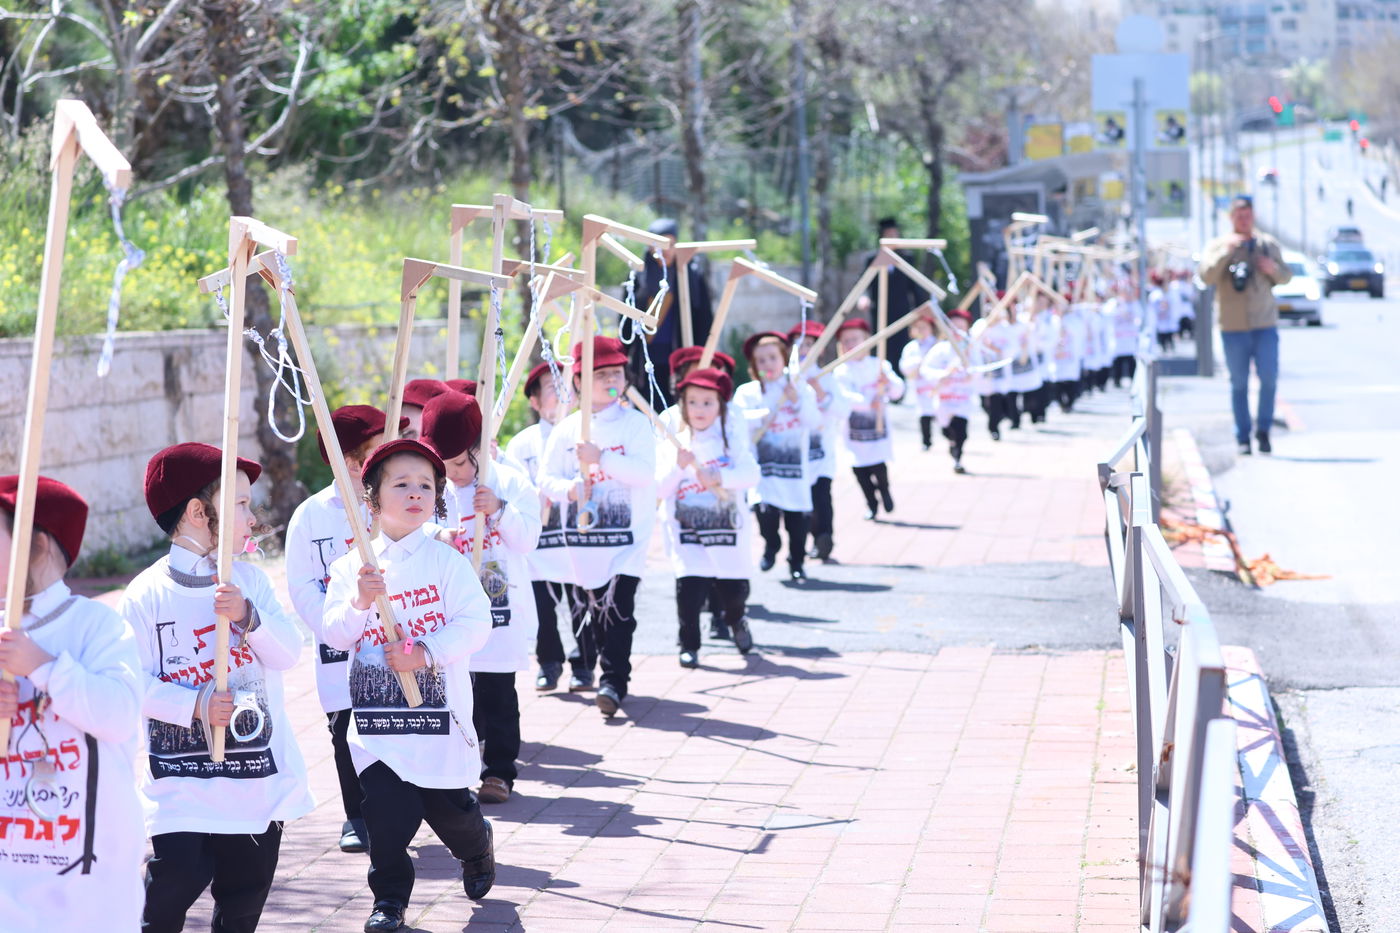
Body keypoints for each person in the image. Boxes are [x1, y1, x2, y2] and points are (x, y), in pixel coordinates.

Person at [123, 443, 313, 933]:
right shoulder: (146, 593)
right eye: (241, 505)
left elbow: (289, 654)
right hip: (181, 786)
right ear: (196, 511)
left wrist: (250, 618)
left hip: (254, 784)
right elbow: (131, 683)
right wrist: (196, 704)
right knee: (170, 891)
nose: (253, 518)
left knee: (243, 903)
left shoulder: (249, 581)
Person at [321, 438, 496, 931]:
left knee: (450, 813)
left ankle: (476, 844)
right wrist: (358, 601)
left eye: (426, 485)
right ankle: (389, 902)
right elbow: (333, 631)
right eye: (401, 484)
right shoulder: (351, 567)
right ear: (372, 499)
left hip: (437, 718)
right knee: (386, 818)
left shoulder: (446, 562)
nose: (415, 493)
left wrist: (425, 652)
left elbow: (475, 623)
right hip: (379, 724)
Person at [0, 476, 145, 931]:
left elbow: (120, 716)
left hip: (90, 877)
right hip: (10, 878)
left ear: (37, 544)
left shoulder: (95, 625)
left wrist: (43, 666)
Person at [285, 404, 401, 854]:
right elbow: (301, 585)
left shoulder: (394, 504)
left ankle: (403, 809)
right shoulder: (311, 515)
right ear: (350, 462)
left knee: (397, 722)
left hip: (392, 643)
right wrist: (337, 626)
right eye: (377, 450)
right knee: (345, 729)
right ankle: (356, 814)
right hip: (339, 647)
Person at [421, 391, 541, 805]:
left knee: (498, 690)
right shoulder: (430, 487)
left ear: (476, 449)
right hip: (447, 609)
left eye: (458, 464)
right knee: (455, 691)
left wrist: (501, 509)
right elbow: (407, 530)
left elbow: (528, 540)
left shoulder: (507, 481)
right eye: (443, 466)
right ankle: (458, 770)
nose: (452, 475)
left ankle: (499, 771)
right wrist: (439, 534)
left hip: (499, 605)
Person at [539, 336, 657, 718]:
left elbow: (643, 473)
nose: (611, 379)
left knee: (621, 609)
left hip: (627, 538)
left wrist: (602, 457)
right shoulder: (567, 429)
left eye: (616, 372)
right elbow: (546, 479)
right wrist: (570, 489)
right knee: (595, 614)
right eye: (600, 373)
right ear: (578, 382)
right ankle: (603, 666)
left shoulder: (636, 425)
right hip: (584, 542)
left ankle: (613, 681)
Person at [656, 367, 761, 666]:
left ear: (720, 405)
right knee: (689, 589)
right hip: (686, 529)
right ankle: (689, 644)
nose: (700, 409)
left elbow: (752, 474)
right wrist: (678, 466)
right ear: (682, 405)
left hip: (727, 528)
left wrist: (720, 475)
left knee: (734, 590)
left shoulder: (730, 440)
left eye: (708, 402)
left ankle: (737, 620)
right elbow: (660, 488)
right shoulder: (673, 442)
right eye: (693, 402)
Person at [503, 363, 577, 694]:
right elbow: (513, 487)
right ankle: (549, 662)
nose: (560, 392)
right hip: (539, 541)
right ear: (534, 401)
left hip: (575, 538)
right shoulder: (521, 444)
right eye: (550, 386)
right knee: (543, 607)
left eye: (565, 385)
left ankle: (585, 664)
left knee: (582, 602)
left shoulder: (583, 433)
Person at [1197, 194, 1291, 455]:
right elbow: (1205, 276)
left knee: (1269, 379)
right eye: (1239, 216)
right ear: (1231, 218)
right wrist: (1227, 253)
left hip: (1264, 324)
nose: (1244, 220)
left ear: (1253, 217)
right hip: (1233, 326)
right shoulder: (1218, 245)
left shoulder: (1267, 244)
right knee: (1238, 383)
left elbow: (1286, 277)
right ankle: (1242, 437)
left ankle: (1263, 431)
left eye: (1248, 216)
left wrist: (1271, 268)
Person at [732, 332, 820, 582]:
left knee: (798, 521)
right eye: (760, 360)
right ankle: (772, 545)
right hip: (764, 469)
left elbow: (814, 421)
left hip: (794, 469)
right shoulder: (747, 393)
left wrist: (797, 401)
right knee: (765, 513)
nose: (767, 364)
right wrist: (762, 415)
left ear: (783, 358)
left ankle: (797, 561)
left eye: (772, 357)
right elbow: (737, 423)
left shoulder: (799, 388)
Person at [629, 219, 714, 407]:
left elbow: (704, 320)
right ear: (650, 247)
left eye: (670, 244)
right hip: (646, 357)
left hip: (680, 354)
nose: (665, 250)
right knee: (647, 405)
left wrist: (701, 356)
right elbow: (626, 321)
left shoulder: (691, 276)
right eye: (658, 244)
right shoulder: (638, 275)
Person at [789, 320, 850, 562]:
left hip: (821, 452)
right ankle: (802, 542)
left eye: (809, 344)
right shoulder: (786, 378)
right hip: (793, 454)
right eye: (798, 345)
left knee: (821, 496)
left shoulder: (827, 377)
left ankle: (824, 537)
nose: (804, 349)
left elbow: (843, 410)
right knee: (799, 501)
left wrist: (821, 392)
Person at [834, 318, 906, 519]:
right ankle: (871, 503)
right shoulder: (841, 371)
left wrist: (888, 382)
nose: (851, 344)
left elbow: (898, 391)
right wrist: (867, 402)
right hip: (855, 433)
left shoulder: (879, 365)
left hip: (878, 429)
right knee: (860, 471)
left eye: (855, 339)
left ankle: (885, 491)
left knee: (879, 467)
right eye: (846, 341)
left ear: (867, 340)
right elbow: (844, 397)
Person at [919, 309, 977, 473]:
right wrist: (941, 375)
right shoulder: (940, 349)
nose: (957, 331)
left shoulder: (971, 348)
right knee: (947, 428)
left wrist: (971, 374)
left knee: (961, 430)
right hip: (944, 398)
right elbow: (926, 369)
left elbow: (980, 369)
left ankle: (958, 458)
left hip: (963, 398)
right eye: (954, 327)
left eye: (961, 327)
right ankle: (951, 442)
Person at [858, 218, 920, 366]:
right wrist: (863, 297)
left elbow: (915, 286)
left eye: (894, 235)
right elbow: (863, 283)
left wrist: (920, 312)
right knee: (881, 346)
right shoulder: (872, 258)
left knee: (902, 346)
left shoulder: (907, 258)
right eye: (888, 235)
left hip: (902, 312)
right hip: (880, 311)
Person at [899, 311, 941, 449]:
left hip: (936, 383)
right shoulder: (911, 348)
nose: (921, 330)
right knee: (924, 412)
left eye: (924, 327)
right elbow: (904, 366)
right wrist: (916, 362)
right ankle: (926, 440)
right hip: (919, 384)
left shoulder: (937, 344)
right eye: (918, 327)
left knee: (940, 410)